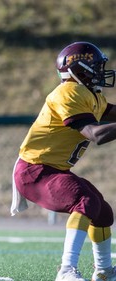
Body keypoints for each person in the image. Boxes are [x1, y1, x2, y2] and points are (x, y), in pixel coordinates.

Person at [10, 41, 116, 281]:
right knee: (84, 200)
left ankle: (104, 271)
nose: (101, 71)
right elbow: (95, 134)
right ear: (80, 70)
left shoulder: (89, 95)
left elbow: (110, 112)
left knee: (103, 212)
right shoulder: (68, 92)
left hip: (52, 170)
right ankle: (66, 270)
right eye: (96, 66)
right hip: (34, 171)